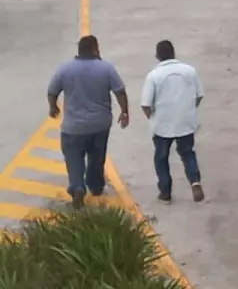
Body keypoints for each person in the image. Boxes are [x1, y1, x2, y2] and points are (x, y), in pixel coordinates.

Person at [47, 35, 130, 208]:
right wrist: (124, 112)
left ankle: (77, 187)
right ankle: (96, 186)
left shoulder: (65, 69)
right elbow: (120, 91)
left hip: (73, 127)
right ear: (95, 49)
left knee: (73, 157)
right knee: (96, 157)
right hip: (100, 124)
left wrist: (53, 107)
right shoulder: (106, 68)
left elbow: (52, 90)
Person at [141, 40, 205, 203]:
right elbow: (198, 95)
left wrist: (152, 117)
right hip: (185, 122)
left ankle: (165, 190)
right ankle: (195, 182)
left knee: (161, 157)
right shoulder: (189, 71)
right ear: (174, 53)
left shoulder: (153, 76)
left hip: (162, 124)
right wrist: (187, 110)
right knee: (187, 153)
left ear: (157, 56)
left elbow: (146, 104)